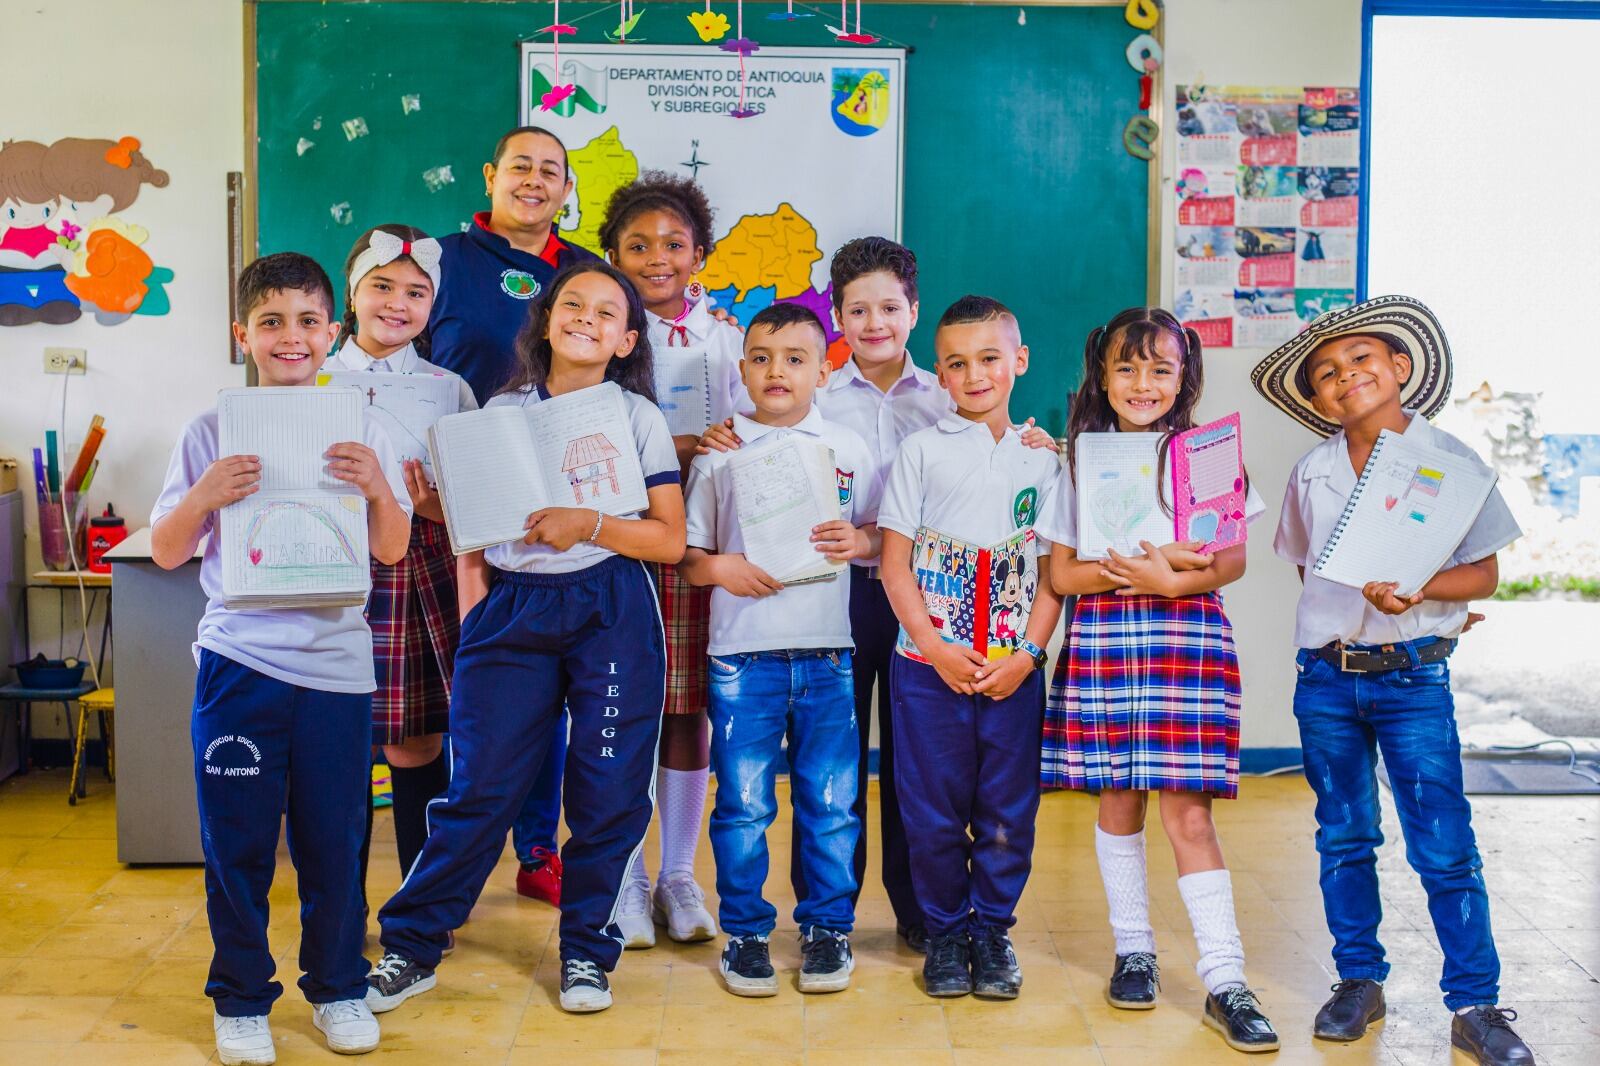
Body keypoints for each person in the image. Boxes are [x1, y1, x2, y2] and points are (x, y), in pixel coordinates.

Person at [366, 262, 684, 1015]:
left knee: (607, 791)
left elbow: (668, 540)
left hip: (611, 604)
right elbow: (489, 527)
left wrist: (590, 524)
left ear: (626, 339)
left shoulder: (635, 416)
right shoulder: (498, 411)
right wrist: (441, 512)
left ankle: (585, 954)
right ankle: (412, 946)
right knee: (479, 787)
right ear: (543, 320)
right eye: (571, 303)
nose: (585, 317)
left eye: (606, 312)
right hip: (514, 610)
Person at [1257, 296, 1535, 1066]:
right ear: (1313, 399)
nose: (1346, 376)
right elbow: (1312, 568)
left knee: (1442, 843)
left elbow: (1485, 571)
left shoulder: (1451, 462)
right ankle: (1358, 980)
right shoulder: (1311, 472)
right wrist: (1365, 610)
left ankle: (1476, 1003)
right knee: (1344, 835)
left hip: (1413, 683)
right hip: (1327, 679)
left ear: (1401, 367)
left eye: (1361, 360)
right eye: (1326, 374)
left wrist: (1424, 595)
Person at [150, 252, 412, 1064]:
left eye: (307, 321)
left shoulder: (364, 424)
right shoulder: (209, 430)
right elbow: (165, 551)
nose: (290, 337)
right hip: (240, 666)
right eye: (271, 321)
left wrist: (375, 488)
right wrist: (204, 497)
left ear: (332, 333)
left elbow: (394, 549)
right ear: (244, 334)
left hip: (337, 671)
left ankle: (336, 986)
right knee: (239, 842)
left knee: (335, 842)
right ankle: (239, 997)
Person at [1039, 307, 1278, 1053]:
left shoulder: (1209, 455)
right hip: (1108, 640)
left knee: (1190, 814)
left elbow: (1231, 562)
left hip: (1186, 639)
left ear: (1185, 377)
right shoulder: (1077, 460)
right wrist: (1149, 569)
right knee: (1118, 797)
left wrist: (1164, 581)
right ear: (1102, 377)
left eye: (1161, 368)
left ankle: (1225, 975)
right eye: (1127, 367)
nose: (1143, 382)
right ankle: (1133, 950)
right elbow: (1063, 572)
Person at [423, 124, 601, 905]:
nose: (535, 181)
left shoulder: (585, 274)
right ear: (490, 175)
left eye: (551, 172)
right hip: (448, 502)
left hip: (556, 510)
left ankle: (536, 850)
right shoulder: (439, 261)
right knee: (458, 696)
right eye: (520, 166)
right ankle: (449, 865)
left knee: (547, 691)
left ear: (567, 191)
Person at [679, 302, 877, 996]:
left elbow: (884, 534)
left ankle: (826, 930)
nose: (776, 371)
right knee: (743, 804)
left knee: (831, 803)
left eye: (795, 358)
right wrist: (721, 569)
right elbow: (691, 556)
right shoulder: (720, 454)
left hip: (827, 653)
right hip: (743, 659)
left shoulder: (848, 447)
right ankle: (746, 932)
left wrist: (865, 542)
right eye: (761, 357)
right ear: (742, 368)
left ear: (825, 369)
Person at [877, 295, 1064, 1000]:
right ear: (942, 376)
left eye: (989, 358)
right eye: (956, 363)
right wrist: (934, 645)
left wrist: (1028, 657)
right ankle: (946, 933)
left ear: (1017, 361)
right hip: (928, 669)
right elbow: (894, 565)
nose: (975, 373)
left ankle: (993, 932)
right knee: (928, 808)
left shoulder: (1046, 461)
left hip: (1015, 669)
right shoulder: (920, 452)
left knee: (1009, 811)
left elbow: (1053, 575)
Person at [598, 171, 748, 946]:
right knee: (617, 713)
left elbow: (758, 424)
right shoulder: (602, 329)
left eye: (674, 245)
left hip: (697, 540)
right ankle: (624, 877)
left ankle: (680, 875)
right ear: (613, 256)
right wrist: (680, 445)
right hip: (620, 544)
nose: (657, 258)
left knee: (687, 710)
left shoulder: (728, 338)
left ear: (701, 253)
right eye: (638, 246)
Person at [327, 224, 476, 895]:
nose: (398, 302)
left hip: (424, 565)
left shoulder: (451, 388)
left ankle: (421, 902)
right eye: (382, 285)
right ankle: (343, 906)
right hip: (334, 559)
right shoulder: (311, 376)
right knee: (341, 743)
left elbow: (475, 496)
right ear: (352, 294)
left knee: (417, 740)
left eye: (416, 291)